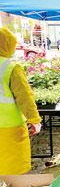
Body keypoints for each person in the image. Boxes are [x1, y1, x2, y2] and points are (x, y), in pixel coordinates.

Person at [0, 27, 42, 175]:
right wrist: (35, 120)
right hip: (10, 129)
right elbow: (25, 98)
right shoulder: (10, 67)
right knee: (12, 169)